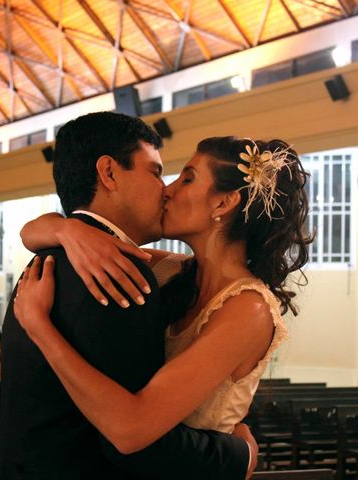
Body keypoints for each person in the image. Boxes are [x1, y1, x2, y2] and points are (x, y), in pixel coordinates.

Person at [17, 134, 312, 471]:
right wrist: (69, 231)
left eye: (187, 178)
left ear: (223, 204)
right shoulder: (173, 272)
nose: (168, 190)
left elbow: (130, 430)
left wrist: (40, 327)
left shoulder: (247, 307)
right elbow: (29, 233)